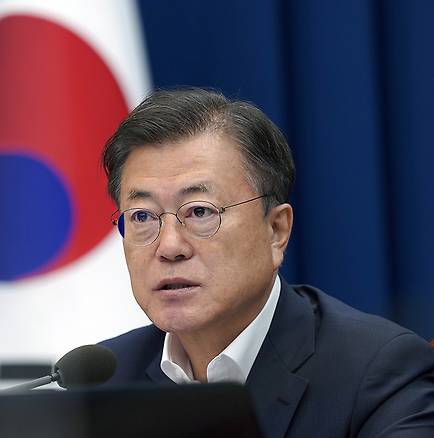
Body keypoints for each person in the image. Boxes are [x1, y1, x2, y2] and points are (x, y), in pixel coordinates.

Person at [99, 88, 434, 438]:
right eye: (141, 216)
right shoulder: (103, 380)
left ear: (276, 230)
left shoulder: (379, 373)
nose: (169, 246)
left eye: (199, 211)